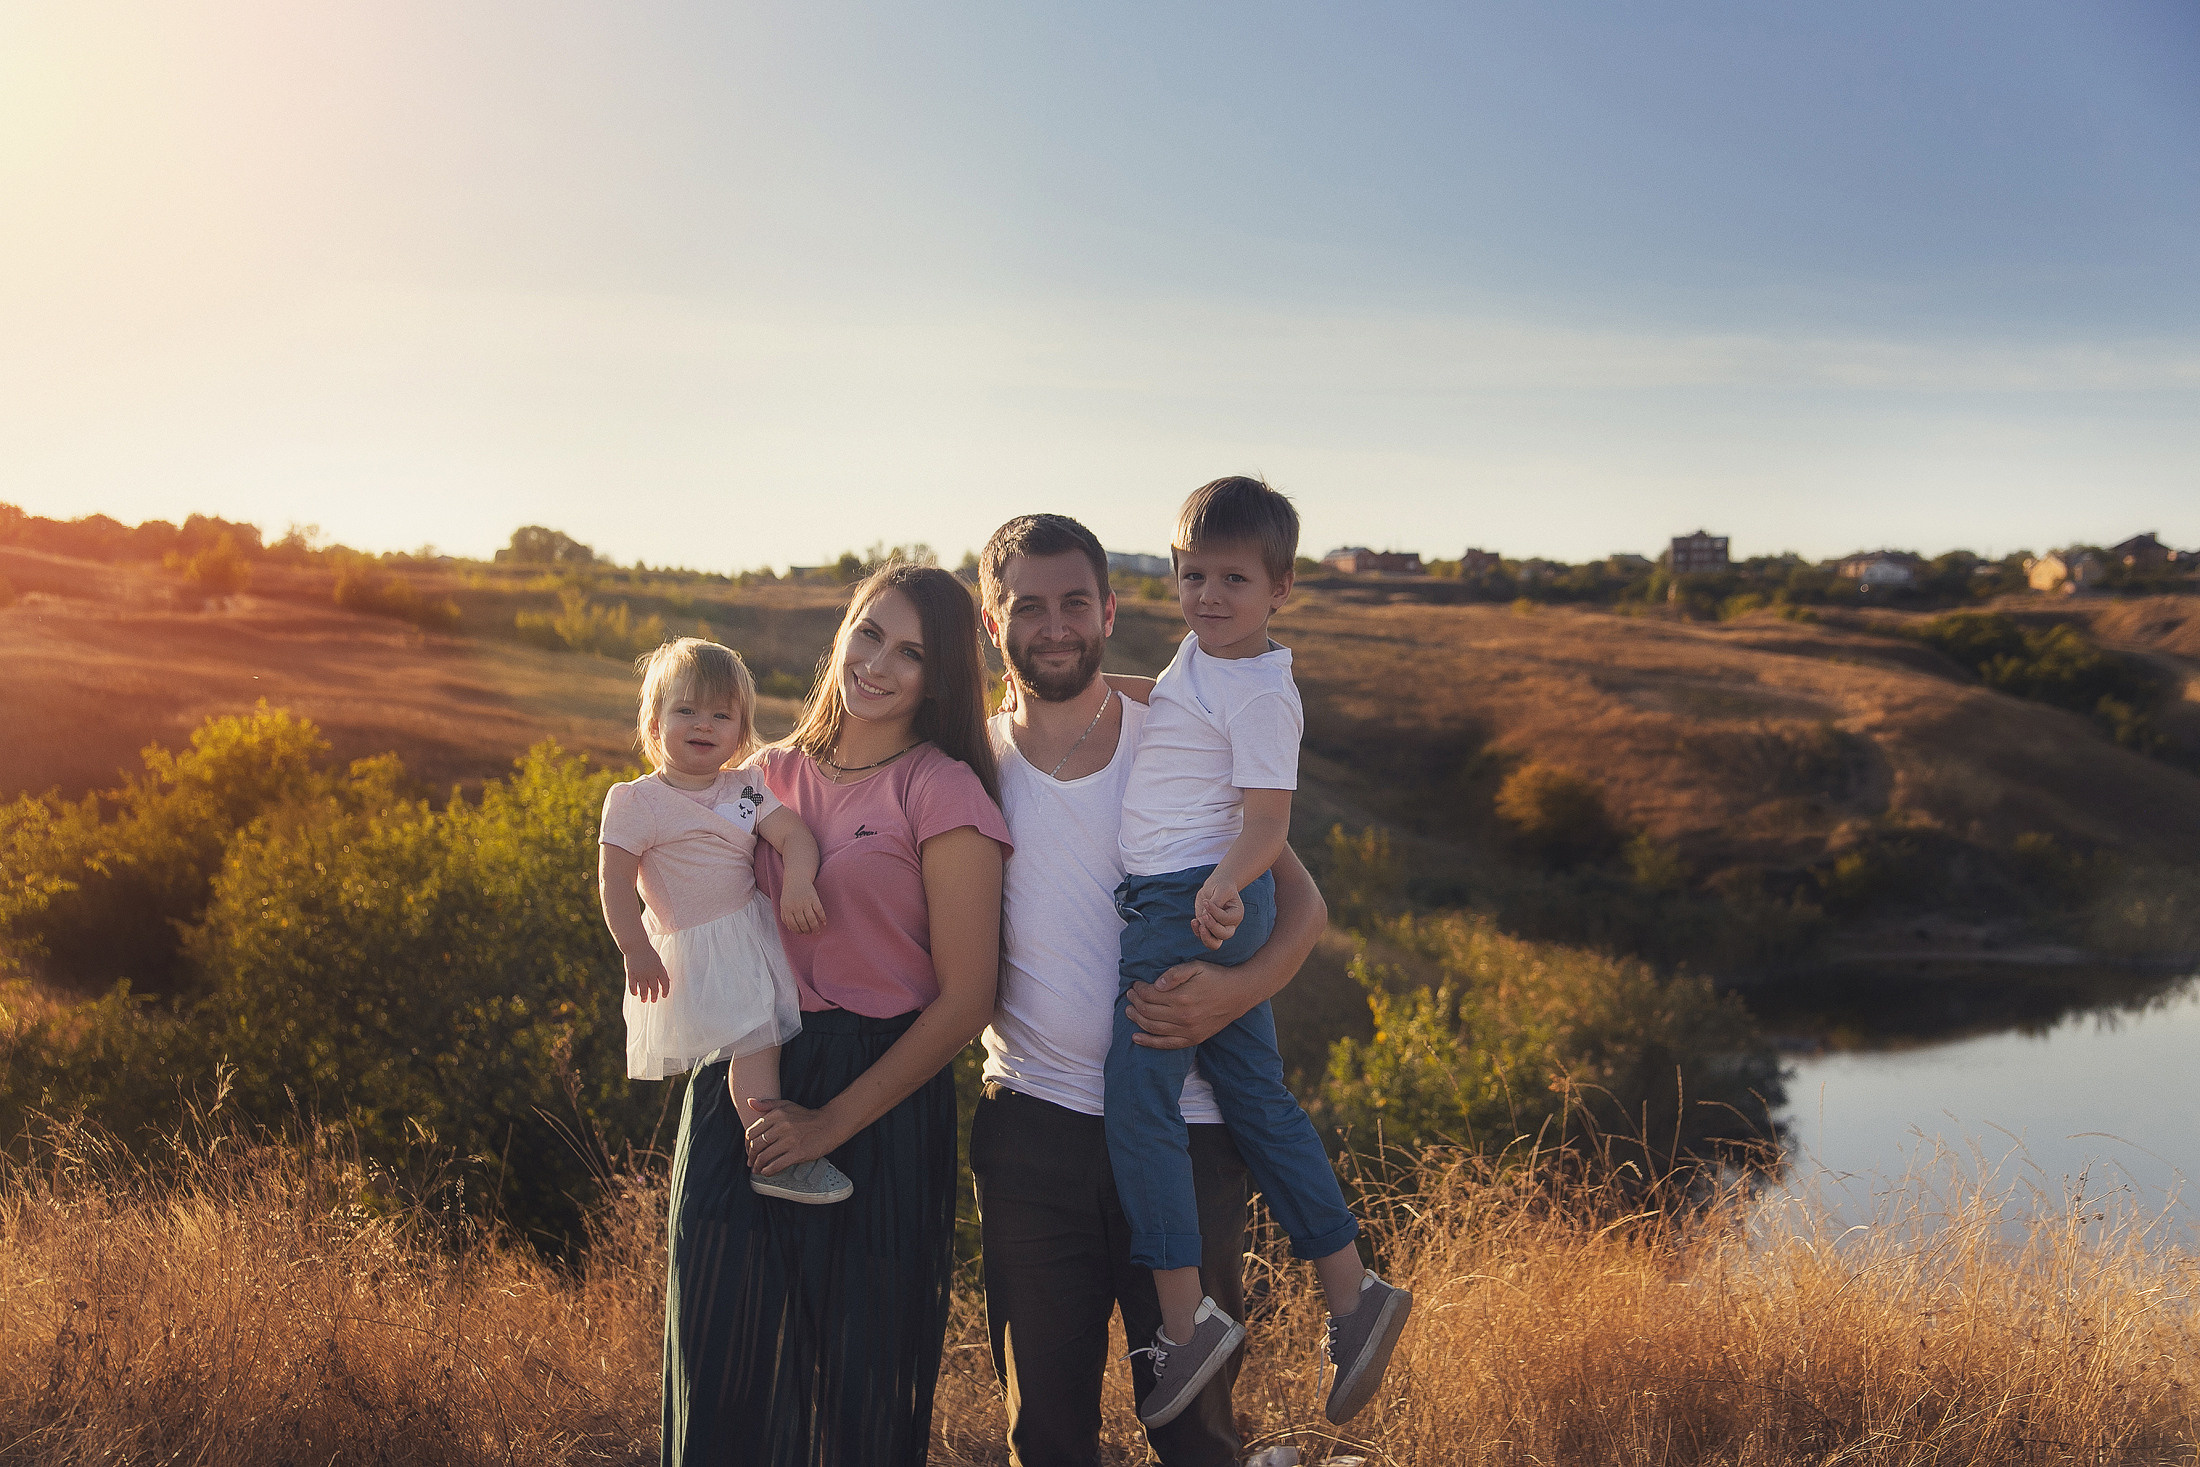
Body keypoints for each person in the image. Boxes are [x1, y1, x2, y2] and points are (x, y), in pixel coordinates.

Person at [971, 512, 1328, 1467]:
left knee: (1198, 1432)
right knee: (1044, 1432)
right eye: (1029, 605)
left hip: (1189, 1129)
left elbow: (1306, 909)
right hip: (1033, 1134)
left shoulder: (1174, 736)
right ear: (990, 617)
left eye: (1075, 602)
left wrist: (1233, 992)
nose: (1055, 625)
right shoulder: (969, 766)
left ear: (1111, 608)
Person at [658, 564, 1011, 1467]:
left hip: (874, 1102)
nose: (878, 665)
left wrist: (831, 1123)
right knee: (723, 1367)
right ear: (842, 631)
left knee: (854, 1394)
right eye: (868, 633)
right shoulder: (762, 774)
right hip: (748, 1083)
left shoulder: (941, 789)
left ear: (941, 677)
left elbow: (969, 997)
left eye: (912, 652)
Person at [1108, 478, 1410, 1430]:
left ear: (1281, 586)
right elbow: (1162, 706)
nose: (1206, 594)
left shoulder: (1263, 691)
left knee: (1139, 1102)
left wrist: (1225, 883)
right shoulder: (1202, 657)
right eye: (1191, 573)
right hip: (1191, 895)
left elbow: (1269, 818)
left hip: (1186, 904)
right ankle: (1354, 1293)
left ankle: (1183, 1320)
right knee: (1257, 1100)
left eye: (1232, 578)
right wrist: (1083, 692)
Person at [596, 637, 851, 1204]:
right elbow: (614, 883)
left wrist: (800, 882)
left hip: (747, 936)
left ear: (741, 731)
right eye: (685, 709)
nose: (703, 724)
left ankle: (768, 1154)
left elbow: (796, 838)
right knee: (754, 1048)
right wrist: (634, 949)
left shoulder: (745, 791)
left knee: (759, 1050)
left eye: (721, 714)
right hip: (688, 952)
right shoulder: (636, 802)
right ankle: (774, 1157)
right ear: (654, 721)